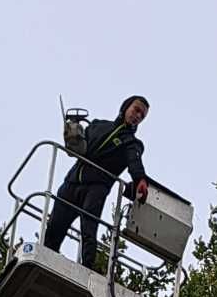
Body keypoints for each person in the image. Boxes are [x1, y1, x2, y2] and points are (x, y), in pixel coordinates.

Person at [43, 97, 150, 270]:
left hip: (97, 187)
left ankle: (87, 269)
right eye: (136, 110)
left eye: (142, 116)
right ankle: (47, 259)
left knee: (89, 229)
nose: (138, 116)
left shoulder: (132, 143)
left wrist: (140, 180)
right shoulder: (98, 125)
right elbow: (78, 146)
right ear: (125, 107)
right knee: (55, 226)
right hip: (72, 182)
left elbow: (134, 162)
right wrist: (73, 133)